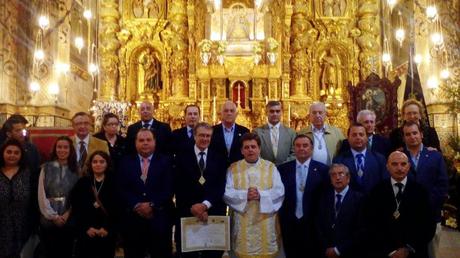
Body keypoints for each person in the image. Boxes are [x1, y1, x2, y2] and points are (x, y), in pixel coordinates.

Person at [364, 151, 435, 258]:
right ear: (387, 167)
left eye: (403, 164)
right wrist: (390, 251)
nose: (399, 168)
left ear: (409, 166)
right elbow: (371, 224)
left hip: (414, 252)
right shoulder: (377, 191)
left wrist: (408, 248)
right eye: (394, 164)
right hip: (384, 252)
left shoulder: (421, 191)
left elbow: (428, 225)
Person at [224, 133, 285, 258]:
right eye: (246, 147)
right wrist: (245, 195)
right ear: (241, 150)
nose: (250, 150)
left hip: (266, 220)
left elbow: (279, 191)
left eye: (253, 146)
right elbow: (227, 193)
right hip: (243, 219)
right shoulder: (233, 168)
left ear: (259, 149)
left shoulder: (270, 167)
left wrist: (261, 195)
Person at [118, 128, 174, 258]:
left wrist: (152, 205)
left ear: (154, 142)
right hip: (132, 221)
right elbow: (121, 188)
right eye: (141, 140)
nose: (145, 143)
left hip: (159, 219)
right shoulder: (125, 162)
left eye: (148, 140)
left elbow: (169, 188)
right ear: (135, 142)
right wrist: (136, 205)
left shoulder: (166, 161)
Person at [174, 122, 227, 258]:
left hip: (213, 212)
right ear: (194, 136)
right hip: (188, 212)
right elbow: (178, 185)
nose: (205, 139)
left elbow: (221, 185)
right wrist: (193, 207)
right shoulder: (181, 156)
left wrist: (205, 205)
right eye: (201, 135)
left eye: (208, 136)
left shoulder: (220, 157)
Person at [402, 121, 448, 258]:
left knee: (431, 254)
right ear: (404, 137)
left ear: (421, 134)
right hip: (406, 218)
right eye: (408, 134)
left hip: (431, 215)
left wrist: (425, 205)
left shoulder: (435, 156)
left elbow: (442, 185)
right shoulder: (398, 158)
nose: (412, 137)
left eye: (415, 133)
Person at [278, 134, 329, 257]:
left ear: (311, 149)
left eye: (305, 145)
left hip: (313, 224)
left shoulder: (323, 170)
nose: (301, 148)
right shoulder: (282, 169)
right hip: (289, 223)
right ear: (294, 149)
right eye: (298, 146)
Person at [38, 136, 80, 258]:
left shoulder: (76, 169)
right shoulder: (46, 168)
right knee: (49, 251)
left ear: (70, 149)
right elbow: (41, 194)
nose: (62, 150)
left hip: (69, 216)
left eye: (65, 147)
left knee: (66, 250)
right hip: (48, 216)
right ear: (55, 149)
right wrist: (53, 216)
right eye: (59, 147)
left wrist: (67, 213)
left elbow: (78, 195)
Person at [71, 151, 117, 258]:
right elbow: (76, 207)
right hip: (86, 233)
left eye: (102, 162)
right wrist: (86, 227)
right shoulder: (82, 182)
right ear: (90, 164)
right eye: (95, 162)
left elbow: (118, 209)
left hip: (106, 234)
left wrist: (107, 228)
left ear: (107, 164)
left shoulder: (114, 182)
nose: (98, 164)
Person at [317, 164, 364, 258]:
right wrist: (326, 247)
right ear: (330, 179)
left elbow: (361, 230)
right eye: (333, 175)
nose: (337, 177)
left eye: (341, 174)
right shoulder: (323, 198)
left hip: (350, 252)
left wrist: (338, 250)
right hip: (326, 252)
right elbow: (318, 225)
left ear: (348, 178)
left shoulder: (360, 199)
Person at [0, 139, 34, 258]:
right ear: (2, 153)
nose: (12, 155)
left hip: (23, 226)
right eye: (8, 152)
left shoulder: (28, 173)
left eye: (16, 152)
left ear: (21, 155)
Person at [333, 124, 387, 194]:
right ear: (348, 138)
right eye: (354, 135)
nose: (358, 137)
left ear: (367, 138)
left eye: (361, 135)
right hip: (350, 203)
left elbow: (384, 183)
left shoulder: (379, 159)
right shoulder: (339, 160)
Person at [253, 101, 296, 165]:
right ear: (266, 113)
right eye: (271, 111)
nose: (275, 114)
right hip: (264, 170)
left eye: (277, 111)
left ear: (281, 113)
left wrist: (283, 165)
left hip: (285, 169)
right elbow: (254, 151)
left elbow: (294, 153)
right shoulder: (257, 132)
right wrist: (266, 165)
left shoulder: (291, 132)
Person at [210, 100, 250, 165]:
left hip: (238, 170)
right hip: (217, 169)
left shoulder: (244, 131)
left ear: (236, 114)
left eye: (232, 111)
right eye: (226, 111)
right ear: (221, 113)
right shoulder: (212, 131)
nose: (229, 113)